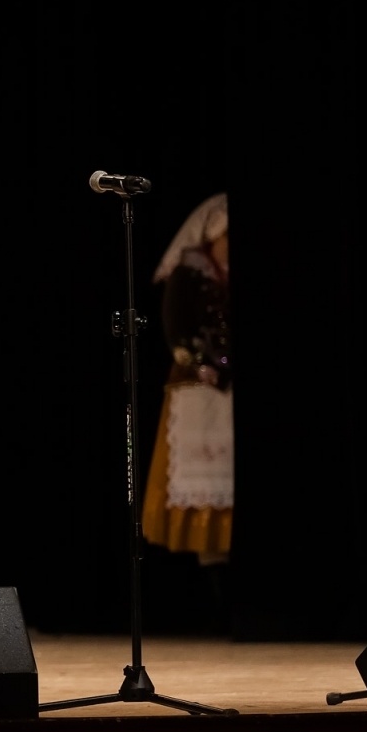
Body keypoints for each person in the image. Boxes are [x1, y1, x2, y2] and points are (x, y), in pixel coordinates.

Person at [141, 193, 232, 564]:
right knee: (203, 490)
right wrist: (205, 365)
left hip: (228, 392)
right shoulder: (190, 272)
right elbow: (177, 329)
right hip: (199, 390)